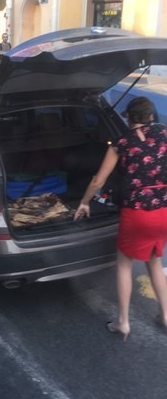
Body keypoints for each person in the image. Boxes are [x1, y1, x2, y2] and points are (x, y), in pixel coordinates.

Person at [74, 96, 167, 341]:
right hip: (163, 211)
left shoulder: (121, 142)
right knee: (154, 261)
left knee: (124, 266)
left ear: (128, 118)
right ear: (151, 116)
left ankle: (123, 322)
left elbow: (98, 180)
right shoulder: (164, 134)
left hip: (137, 213)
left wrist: (84, 202)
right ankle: (166, 315)